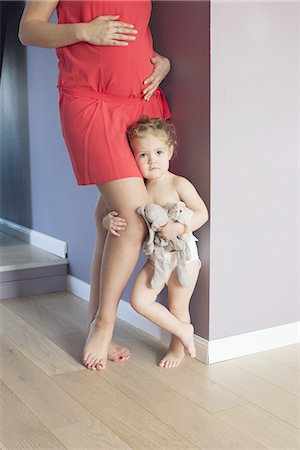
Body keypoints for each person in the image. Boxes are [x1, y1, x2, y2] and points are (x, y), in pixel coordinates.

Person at [19, 1, 171, 370]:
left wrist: (159, 60)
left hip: (141, 102)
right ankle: (105, 323)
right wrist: (82, 31)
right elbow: (28, 29)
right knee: (135, 220)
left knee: (112, 220)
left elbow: (133, 29)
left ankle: (94, 323)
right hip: (90, 100)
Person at [103, 117, 209, 368]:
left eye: (159, 152)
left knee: (177, 304)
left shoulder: (177, 183)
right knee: (140, 300)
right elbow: (116, 213)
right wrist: (109, 221)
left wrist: (180, 227)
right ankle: (184, 331)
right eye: (143, 155)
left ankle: (177, 349)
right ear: (134, 159)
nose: (152, 160)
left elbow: (202, 213)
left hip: (184, 257)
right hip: (157, 258)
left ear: (170, 151)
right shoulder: (138, 190)